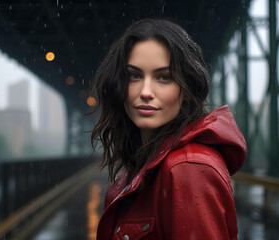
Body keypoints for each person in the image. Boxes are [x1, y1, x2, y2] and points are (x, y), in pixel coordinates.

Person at [91, 18, 246, 240]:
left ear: (186, 89)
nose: (145, 91)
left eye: (164, 77)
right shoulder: (145, 166)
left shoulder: (187, 169)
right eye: (134, 75)